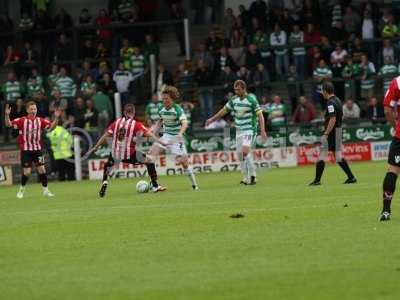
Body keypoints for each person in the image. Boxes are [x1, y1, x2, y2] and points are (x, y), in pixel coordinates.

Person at [88, 104, 166, 197]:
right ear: (133, 112)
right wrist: (160, 141)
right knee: (149, 161)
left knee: (107, 166)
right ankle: (155, 185)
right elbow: (149, 133)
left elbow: (105, 135)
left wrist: (96, 146)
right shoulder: (136, 124)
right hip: (129, 154)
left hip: (115, 153)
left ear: (124, 112)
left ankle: (105, 181)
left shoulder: (116, 123)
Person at [206, 80, 267, 185]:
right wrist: (212, 119)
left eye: (238, 90)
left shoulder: (251, 100)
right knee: (240, 155)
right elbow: (223, 111)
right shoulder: (234, 100)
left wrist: (262, 130)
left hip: (249, 130)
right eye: (235, 89)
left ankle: (253, 176)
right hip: (239, 130)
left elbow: (260, 116)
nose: (236, 91)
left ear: (244, 89)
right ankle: (245, 177)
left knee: (245, 152)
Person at [4, 102, 61, 198]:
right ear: (27, 110)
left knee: (42, 170)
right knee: (27, 172)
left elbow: (51, 127)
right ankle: (21, 191)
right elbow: (8, 124)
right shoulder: (22, 121)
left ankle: (46, 191)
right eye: (31, 109)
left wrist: (56, 118)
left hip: (38, 150)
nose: (33, 111)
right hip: (26, 151)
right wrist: (6, 115)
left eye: (35, 109)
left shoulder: (40, 121)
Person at [147, 86, 199, 190]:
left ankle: (194, 185)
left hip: (176, 138)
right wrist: (154, 130)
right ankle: (154, 184)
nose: (164, 100)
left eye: (166, 98)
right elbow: (160, 120)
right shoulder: (161, 108)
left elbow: (185, 123)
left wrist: (180, 134)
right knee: (149, 158)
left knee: (183, 163)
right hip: (166, 136)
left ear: (172, 99)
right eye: (163, 98)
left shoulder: (177, 109)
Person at [309, 82, 356, 186]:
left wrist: (326, 133)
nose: (321, 93)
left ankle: (317, 180)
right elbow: (340, 117)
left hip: (331, 132)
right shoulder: (338, 100)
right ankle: (351, 177)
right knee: (337, 156)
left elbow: (332, 119)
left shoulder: (330, 102)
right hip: (338, 130)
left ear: (325, 91)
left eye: (322, 91)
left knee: (322, 155)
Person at [378, 76, 400, 221]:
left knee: (392, 171)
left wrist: (395, 126)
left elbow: (387, 110)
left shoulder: (397, 82)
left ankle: (386, 211)